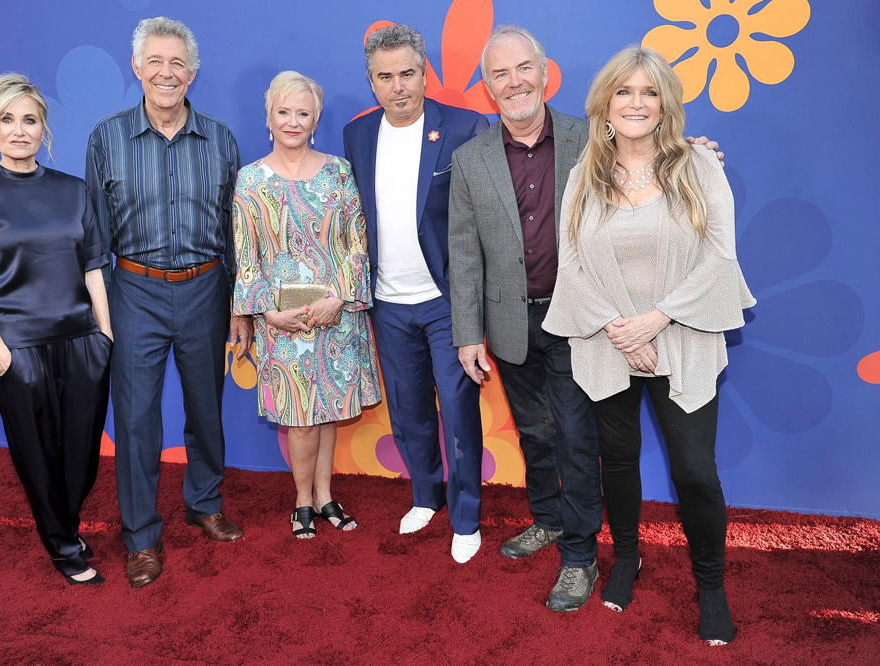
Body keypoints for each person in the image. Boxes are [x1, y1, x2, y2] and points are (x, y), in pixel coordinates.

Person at [449, 24, 723, 611]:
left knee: (578, 439)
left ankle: (580, 557)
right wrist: (468, 331)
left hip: (582, 321)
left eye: (524, 68)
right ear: (487, 86)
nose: (514, 81)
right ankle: (548, 520)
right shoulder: (469, 158)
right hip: (510, 320)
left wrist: (696, 153)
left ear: (545, 73)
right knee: (535, 434)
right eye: (499, 73)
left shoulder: (590, 137)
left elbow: (652, 149)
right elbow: (464, 250)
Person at [542, 45, 755, 645]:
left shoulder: (698, 167)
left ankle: (710, 585)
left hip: (682, 340)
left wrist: (654, 321)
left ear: (665, 105)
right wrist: (620, 328)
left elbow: (720, 258)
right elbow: (573, 264)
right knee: (617, 463)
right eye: (624, 92)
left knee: (694, 471)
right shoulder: (585, 174)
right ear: (605, 104)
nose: (636, 102)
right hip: (609, 342)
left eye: (649, 92)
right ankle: (628, 559)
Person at [86, 16, 251, 588]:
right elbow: (94, 237)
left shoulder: (222, 139)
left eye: (177, 63)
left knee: (207, 407)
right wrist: (104, 312)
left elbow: (237, 234)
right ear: (136, 68)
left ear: (193, 73)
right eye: (154, 61)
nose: (165, 72)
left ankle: (204, 503)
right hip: (133, 291)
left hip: (208, 288)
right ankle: (140, 538)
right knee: (135, 420)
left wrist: (240, 304)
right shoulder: (105, 139)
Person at [0, 73, 112, 585]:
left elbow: (93, 269)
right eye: (7, 120)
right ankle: (64, 548)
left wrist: (107, 336)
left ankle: (65, 523)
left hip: (82, 339)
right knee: (38, 455)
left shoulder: (74, 190)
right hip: (18, 345)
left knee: (82, 455)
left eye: (30, 120)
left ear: (44, 128)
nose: (19, 130)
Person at [343, 24, 490, 563]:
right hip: (388, 302)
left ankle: (467, 515)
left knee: (457, 411)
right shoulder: (356, 135)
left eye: (408, 73)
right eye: (386, 77)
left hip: (446, 301)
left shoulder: (466, 127)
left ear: (425, 73)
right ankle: (425, 496)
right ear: (371, 82)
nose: (398, 86)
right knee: (408, 412)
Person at [232, 71, 380, 538]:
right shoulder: (250, 180)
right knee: (299, 418)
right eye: (284, 112)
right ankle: (302, 501)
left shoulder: (339, 171)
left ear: (315, 120)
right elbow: (245, 255)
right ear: (269, 117)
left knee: (329, 408)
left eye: (303, 113)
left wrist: (340, 298)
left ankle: (326, 495)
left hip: (335, 314)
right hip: (282, 319)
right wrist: (266, 313)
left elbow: (357, 242)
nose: (293, 121)